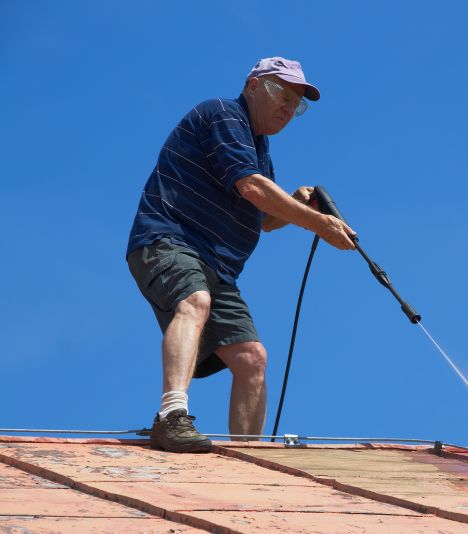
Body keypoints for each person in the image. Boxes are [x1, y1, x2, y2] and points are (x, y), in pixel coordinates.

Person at [126, 57, 355, 453]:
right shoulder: (224, 114)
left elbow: (262, 218)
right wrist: (319, 224)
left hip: (217, 268)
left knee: (252, 358)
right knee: (194, 301)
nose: (288, 108)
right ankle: (171, 416)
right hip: (170, 240)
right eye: (283, 94)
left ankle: (250, 456)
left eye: (296, 104)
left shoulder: (259, 150)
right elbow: (250, 186)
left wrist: (294, 205)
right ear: (253, 85)